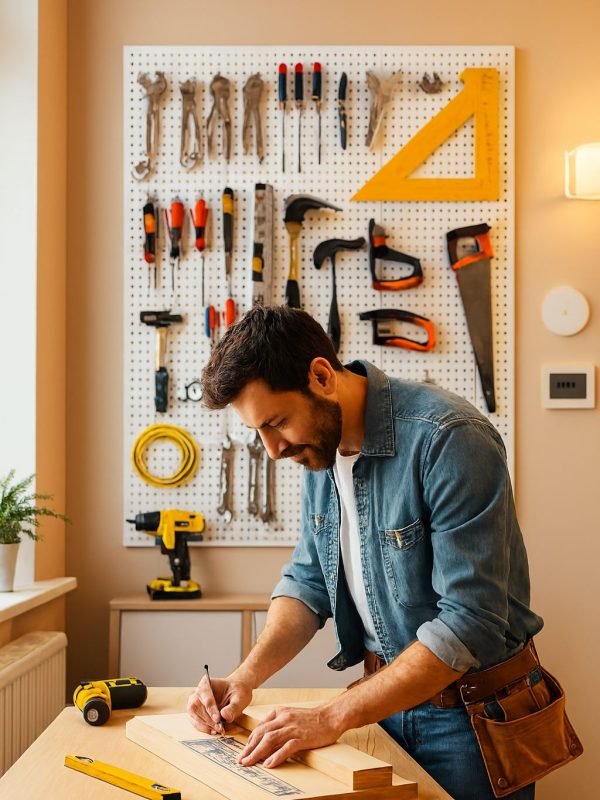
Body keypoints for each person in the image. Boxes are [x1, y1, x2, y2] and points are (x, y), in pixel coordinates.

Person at [188, 305, 546, 800]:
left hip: (469, 718)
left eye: (277, 423)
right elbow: (309, 581)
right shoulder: (319, 446)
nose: (272, 450)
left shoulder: (449, 438)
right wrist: (245, 678)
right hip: (382, 706)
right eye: (258, 432)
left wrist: (332, 717)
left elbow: (470, 623)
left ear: (320, 376)